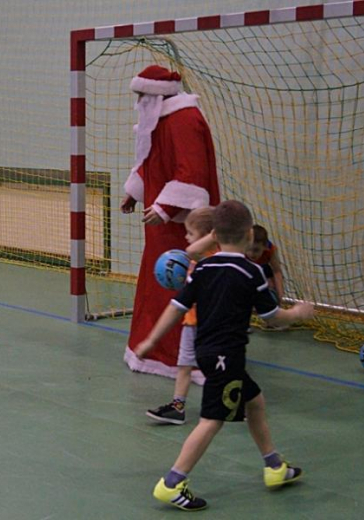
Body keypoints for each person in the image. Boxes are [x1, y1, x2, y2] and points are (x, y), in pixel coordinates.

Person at [135, 200, 314, 511]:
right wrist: (297, 313)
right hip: (226, 358)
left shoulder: (202, 268)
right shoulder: (252, 271)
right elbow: (271, 316)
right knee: (211, 420)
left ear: (214, 235)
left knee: (254, 402)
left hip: (206, 352)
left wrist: (151, 339)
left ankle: (274, 466)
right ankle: (172, 483)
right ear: (249, 234)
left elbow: (176, 308)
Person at [121, 64, 221, 380]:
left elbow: (192, 172)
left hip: (185, 227)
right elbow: (149, 162)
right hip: (161, 225)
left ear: (155, 94)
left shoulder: (184, 120)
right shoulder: (157, 121)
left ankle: (185, 358)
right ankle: (157, 351)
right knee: (158, 286)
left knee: (184, 288)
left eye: (141, 95)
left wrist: (165, 205)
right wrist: (134, 193)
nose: (138, 102)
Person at [146, 207, 217, 425]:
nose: (186, 237)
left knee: (217, 366)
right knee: (184, 365)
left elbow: (191, 251)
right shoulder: (194, 259)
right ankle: (178, 406)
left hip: (210, 325)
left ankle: (235, 398)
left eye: (191, 233)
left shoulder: (213, 259)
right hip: (191, 321)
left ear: (207, 237)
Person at [246, 225, 285, 304]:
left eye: (256, 250)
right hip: (245, 269)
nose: (251, 253)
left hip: (262, 268)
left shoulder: (271, 250)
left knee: (271, 286)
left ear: (265, 247)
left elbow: (277, 271)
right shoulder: (240, 250)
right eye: (248, 249)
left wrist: (280, 294)